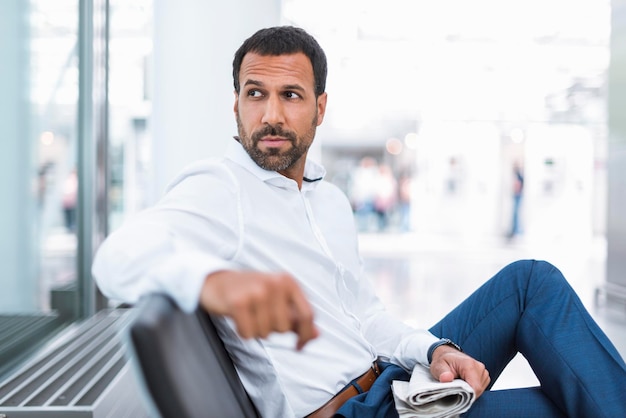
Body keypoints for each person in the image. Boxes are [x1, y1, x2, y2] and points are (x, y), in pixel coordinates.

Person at [92, 26, 626, 417]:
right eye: (255, 93)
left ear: (320, 108)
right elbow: (118, 257)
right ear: (235, 105)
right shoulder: (221, 186)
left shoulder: (329, 201)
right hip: (349, 414)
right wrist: (213, 282)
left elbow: (366, 316)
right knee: (579, 399)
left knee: (531, 285)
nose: (271, 114)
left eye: (291, 96)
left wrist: (436, 351)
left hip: (392, 385)